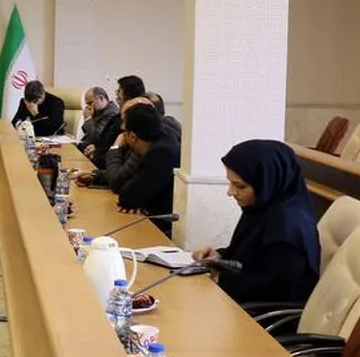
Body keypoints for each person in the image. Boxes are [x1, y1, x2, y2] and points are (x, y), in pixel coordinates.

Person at [193, 140, 321, 305]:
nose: (230, 192)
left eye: (240, 186)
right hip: (239, 301)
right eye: (231, 183)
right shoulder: (261, 208)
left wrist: (222, 278)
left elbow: (278, 287)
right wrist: (220, 258)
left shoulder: (289, 226)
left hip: (262, 314)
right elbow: (255, 256)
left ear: (267, 182)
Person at [115, 104, 181, 236]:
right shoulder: (162, 138)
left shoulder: (162, 153)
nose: (122, 132)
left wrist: (135, 201)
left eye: (124, 131)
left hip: (161, 229)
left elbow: (127, 196)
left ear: (132, 136)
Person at [89, 74, 147, 166]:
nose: (116, 93)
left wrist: (96, 156)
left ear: (128, 95)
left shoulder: (132, 122)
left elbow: (116, 152)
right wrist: (96, 147)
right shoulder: (118, 117)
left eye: (119, 91)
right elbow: (104, 140)